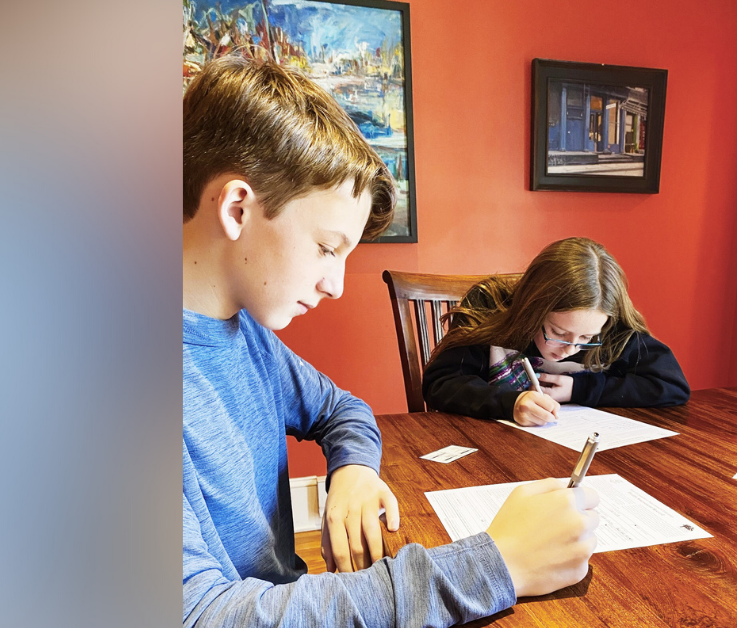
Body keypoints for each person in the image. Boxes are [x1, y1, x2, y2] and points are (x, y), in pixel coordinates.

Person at [182, 56, 600, 627]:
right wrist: (495, 564)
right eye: (328, 248)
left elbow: (340, 408)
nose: (335, 284)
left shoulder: (241, 330)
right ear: (236, 208)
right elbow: (203, 616)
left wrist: (353, 468)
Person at [422, 237, 690, 425]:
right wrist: (509, 403)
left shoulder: (610, 326)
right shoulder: (488, 308)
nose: (571, 349)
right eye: (558, 333)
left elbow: (672, 386)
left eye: (587, 338)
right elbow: (440, 384)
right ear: (532, 311)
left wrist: (580, 389)